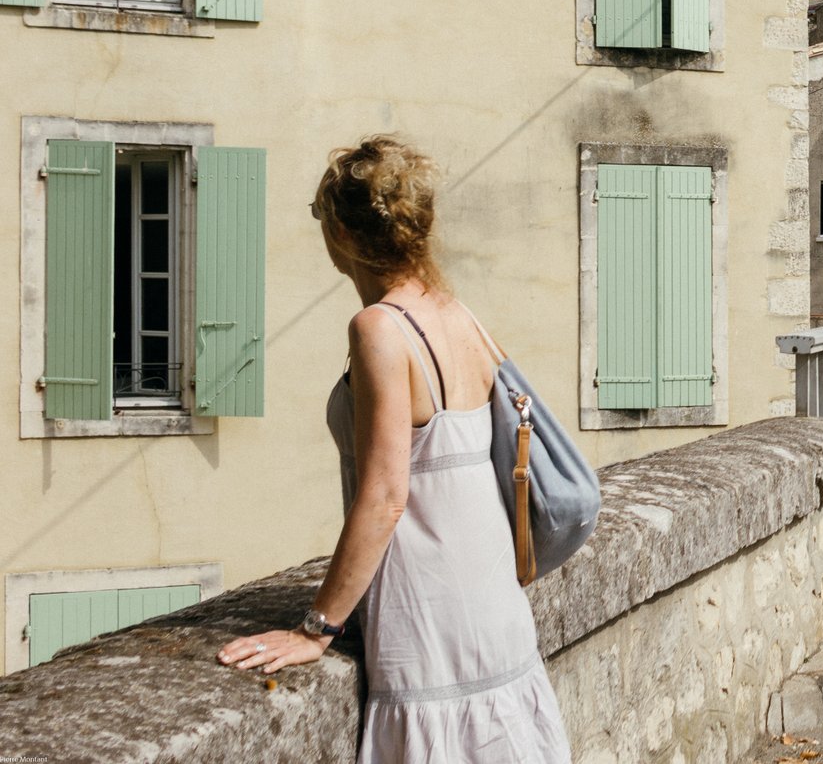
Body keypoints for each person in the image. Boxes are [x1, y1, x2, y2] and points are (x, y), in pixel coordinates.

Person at [219, 136, 570, 762]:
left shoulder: (379, 328)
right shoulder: (458, 315)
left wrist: (317, 628)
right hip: (493, 606)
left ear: (344, 235)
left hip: (429, 614)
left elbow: (384, 495)